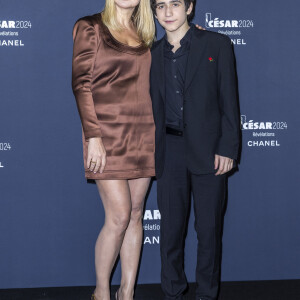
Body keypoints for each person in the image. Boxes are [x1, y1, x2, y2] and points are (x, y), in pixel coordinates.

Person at [150, 0, 240, 299]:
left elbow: (229, 100)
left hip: (210, 150)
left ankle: (206, 294)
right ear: (154, 12)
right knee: (170, 233)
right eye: (160, 5)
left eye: (175, 4)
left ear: (189, 7)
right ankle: (172, 292)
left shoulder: (217, 44)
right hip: (169, 150)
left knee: (209, 232)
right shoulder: (149, 55)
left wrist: (228, 147)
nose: (168, 12)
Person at [71, 0, 155, 299]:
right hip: (105, 133)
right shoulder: (90, 26)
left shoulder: (146, 31)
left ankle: (127, 292)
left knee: (135, 214)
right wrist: (92, 136)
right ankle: (102, 292)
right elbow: (81, 84)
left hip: (144, 132)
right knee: (118, 216)